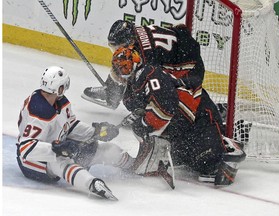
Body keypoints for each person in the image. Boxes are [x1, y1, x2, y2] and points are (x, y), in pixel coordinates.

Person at [110, 46, 246, 186]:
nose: (121, 72)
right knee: (182, 158)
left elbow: (165, 106)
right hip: (182, 122)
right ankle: (222, 137)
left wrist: (145, 123)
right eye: (119, 68)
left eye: (124, 67)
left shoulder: (148, 73)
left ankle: (230, 139)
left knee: (208, 165)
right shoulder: (133, 87)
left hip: (199, 115)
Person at [16, 66, 135, 201]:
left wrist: (96, 132)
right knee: (60, 161)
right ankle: (92, 184)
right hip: (31, 162)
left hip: (58, 147)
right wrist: (57, 149)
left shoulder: (61, 102)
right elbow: (26, 148)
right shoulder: (38, 110)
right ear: (60, 87)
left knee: (102, 149)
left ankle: (135, 165)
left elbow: (71, 126)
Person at [82, 20, 205, 110]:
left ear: (129, 42)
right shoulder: (135, 34)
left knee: (161, 89)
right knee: (124, 61)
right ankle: (111, 91)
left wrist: (137, 108)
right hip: (182, 50)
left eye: (117, 47)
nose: (116, 50)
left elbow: (150, 81)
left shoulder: (146, 54)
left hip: (189, 68)